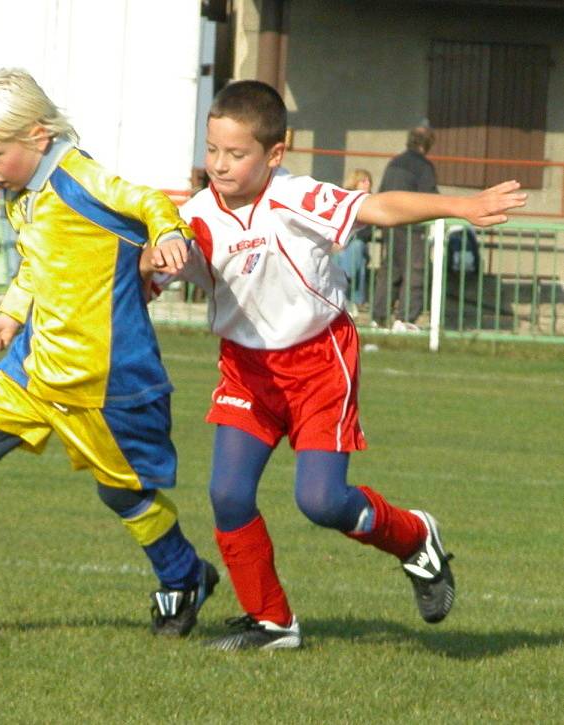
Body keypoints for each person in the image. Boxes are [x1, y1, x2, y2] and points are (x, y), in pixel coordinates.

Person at [144, 80, 525, 650]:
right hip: (246, 369)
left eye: (236, 153)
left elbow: (380, 206)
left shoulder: (297, 197)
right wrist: (152, 259)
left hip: (320, 362)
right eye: (212, 150)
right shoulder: (193, 217)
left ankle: (415, 536)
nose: (220, 165)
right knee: (227, 494)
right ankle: (273, 623)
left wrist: (460, 207)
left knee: (321, 501)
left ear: (275, 154)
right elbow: (146, 280)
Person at [0, 68, 218, 637]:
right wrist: (11, 315)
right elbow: (40, 265)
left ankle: (185, 575)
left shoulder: (77, 178)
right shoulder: (24, 192)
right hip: (38, 365)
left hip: (105, 379)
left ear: (36, 136)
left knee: (123, 494)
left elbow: (148, 203)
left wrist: (166, 235)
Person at [371, 123, 438, 331]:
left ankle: (378, 318)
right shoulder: (424, 167)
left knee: (390, 270)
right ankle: (406, 319)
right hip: (412, 226)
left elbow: (382, 191)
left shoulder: (394, 163)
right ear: (427, 145)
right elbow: (429, 197)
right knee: (415, 271)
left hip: (389, 223)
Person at [335, 168, 373, 315]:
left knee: (356, 248)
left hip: (356, 243)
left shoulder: (371, 202)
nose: (367, 183)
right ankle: (349, 296)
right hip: (337, 245)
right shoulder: (344, 199)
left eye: (369, 181)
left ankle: (345, 287)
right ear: (355, 182)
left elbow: (367, 231)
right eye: (363, 180)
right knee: (350, 257)